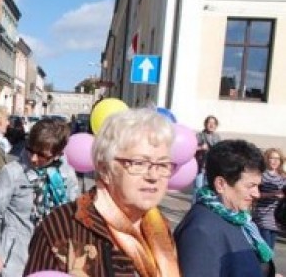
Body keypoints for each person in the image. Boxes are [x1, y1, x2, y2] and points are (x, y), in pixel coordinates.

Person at [24, 108, 179, 276]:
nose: (153, 176)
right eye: (139, 163)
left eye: (163, 165)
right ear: (105, 169)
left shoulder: (159, 227)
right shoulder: (62, 227)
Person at [0, 118, 79, 277]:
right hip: (15, 262)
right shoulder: (12, 172)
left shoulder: (67, 176)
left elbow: (74, 218)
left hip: (54, 261)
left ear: (57, 154)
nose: (33, 158)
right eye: (30, 150)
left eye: (42, 155)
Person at [176, 140, 276, 276]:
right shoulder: (201, 231)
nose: (257, 194)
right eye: (250, 186)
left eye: (258, 186)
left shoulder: (239, 219)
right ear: (221, 184)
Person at [253, 148, 286, 250]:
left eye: (278, 158)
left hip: (276, 218)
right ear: (267, 159)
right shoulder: (262, 175)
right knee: (265, 250)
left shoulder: (282, 176)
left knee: (270, 249)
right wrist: (273, 194)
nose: (275, 161)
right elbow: (255, 194)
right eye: (272, 158)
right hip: (263, 216)